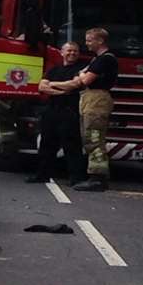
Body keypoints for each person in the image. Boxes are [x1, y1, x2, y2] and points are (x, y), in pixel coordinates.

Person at [47, 27, 118, 191]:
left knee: (94, 138)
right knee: (89, 137)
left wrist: (54, 83)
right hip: (90, 99)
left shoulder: (104, 60)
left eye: (89, 40)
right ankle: (95, 176)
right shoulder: (97, 59)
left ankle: (98, 178)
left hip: (96, 100)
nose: (87, 43)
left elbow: (84, 80)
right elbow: (81, 75)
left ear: (100, 41)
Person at [27, 42, 86, 185]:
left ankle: (75, 177)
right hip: (51, 110)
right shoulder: (54, 69)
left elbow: (75, 84)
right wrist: (61, 91)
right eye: (69, 51)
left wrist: (52, 85)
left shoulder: (81, 69)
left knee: (72, 146)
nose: (72, 53)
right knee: (46, 144)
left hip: (70, 111)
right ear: (61, 52)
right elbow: (42, 86)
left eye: (75, 51)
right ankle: (42, 175)